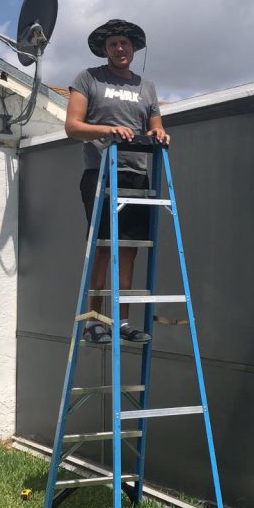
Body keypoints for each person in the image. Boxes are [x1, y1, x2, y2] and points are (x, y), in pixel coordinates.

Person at [65, 19, 170, 345]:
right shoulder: (89, 78)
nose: (119, 49)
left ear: (133, 47)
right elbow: (73, 126)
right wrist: (108, 131)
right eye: (113, 45)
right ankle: (94, 322)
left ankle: (122, 322)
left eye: (124, 43)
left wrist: (159, 133)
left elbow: (155, 126)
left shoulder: (146, 86)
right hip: (101, 172)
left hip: (137, 175)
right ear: (105, 49)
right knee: (102, 249)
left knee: (128, 251)